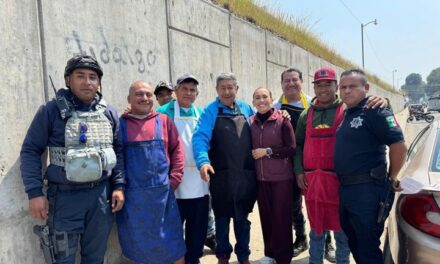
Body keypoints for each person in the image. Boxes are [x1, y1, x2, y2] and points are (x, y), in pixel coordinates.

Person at [20, 55, 125, 264]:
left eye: (93, 77)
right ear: (68, 80)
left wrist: (119, 186)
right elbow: (31, 150)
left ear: (98, 82)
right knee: (63, 259)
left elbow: (119, 151)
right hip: (64, 198)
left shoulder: (109, 112)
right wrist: (34, 192)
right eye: (80, 76)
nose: (87, 82)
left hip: (100, 197)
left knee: (95, 258)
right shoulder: (50, 111)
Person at [334, 69, 407, 264]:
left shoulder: (376, 110)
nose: (347, 91)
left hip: (367, 191)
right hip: (347, 190)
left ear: (365, 88)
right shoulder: (348, 113)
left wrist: (391, 178)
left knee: (367, 247)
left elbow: (399, 145)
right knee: (355, 242)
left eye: (353, 86)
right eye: (343, 87)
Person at [116, 81, 186, 264]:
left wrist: (175, 178)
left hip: (163, 197)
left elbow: (177, 149)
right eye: (139, 94)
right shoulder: (120, 124)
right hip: (133, 200)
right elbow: (117, 158)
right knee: (138, 249)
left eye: (148, 94)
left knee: (174, 246)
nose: (144, 98)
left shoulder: (163, 121)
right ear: (129, 99)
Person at [192, 73, 257, 264]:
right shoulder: (210, 111)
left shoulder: (246, 109)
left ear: (236, 89)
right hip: (221, 176)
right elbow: (200, 137)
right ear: (217, 91)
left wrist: (281, 114)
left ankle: (244, 256)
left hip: (245, 175)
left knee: (242, 220)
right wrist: (203, 161)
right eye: (223, 88)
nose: (227, 91)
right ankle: (223, 256)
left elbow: (262, 127)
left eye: (231, 87)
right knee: (221, 220)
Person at [157, 73, 210, 264]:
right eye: (184, 89)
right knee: (173, 228)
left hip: (199, 181)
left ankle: (193, 259)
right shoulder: (162, 113)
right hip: (174, 182)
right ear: (176, 91)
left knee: (198, 230)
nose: (188, 93)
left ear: (197, 93)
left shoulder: (202, 114)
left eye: (192, 90)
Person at [250, 87, 296, 264]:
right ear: (253, 102)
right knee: (266, 218)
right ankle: (270, 253)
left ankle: (284, 257)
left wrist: (267, 151)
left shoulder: (282, 120)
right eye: (257, 97)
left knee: (282, 219)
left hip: (281, 180)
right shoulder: (251, 122)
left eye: (264, 97)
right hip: (261, 180)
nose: (261, 100)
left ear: (271, 99)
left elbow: (291, 148)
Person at [273, 67, 313, 258]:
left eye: (294, 79)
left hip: (313, 161)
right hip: (288, 165)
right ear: (281, 84)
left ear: (302, 81)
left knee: (317, 204)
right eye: (286, 80)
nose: (290, 83)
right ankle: (301, 238)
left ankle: (327, 241)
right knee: (293, 205)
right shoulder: (275, 107)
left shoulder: (313, 104)